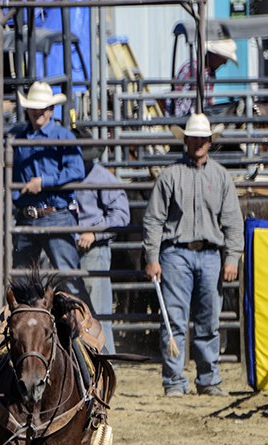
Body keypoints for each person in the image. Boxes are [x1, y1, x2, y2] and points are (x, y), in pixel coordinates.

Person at [143, 113, 243, 398]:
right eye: (193, 138)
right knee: (174, 320)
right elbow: (154, 220)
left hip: (211, 254)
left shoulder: (221, 176)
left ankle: (208, 379)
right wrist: (153, 256)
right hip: (176, 254)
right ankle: (175, 381)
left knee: (209, 320)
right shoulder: (170, 176)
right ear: (185, 140)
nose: (198, 142)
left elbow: (233, 222)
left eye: (203, 138)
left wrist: (231, 258)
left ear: (210, 141)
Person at [12, 81, 89, 304]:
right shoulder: (20, 139)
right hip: (28, 217)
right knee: (22, 281)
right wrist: (19, 200)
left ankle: (85, 334)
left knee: (70, 279)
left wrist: (43, 182)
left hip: (56, 215)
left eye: (43, 107)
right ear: (28, 109)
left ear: (51, 110)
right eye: (34, 107)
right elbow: (14, 175)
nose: (38, 112)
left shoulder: (63, 136)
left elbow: (76, 170)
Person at [73, 130, 130, 355]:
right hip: (68, 251)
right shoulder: (68, 175)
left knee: (98, 312)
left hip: (93, 252)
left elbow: (122, 215)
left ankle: (106, 362)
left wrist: (95, 233)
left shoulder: (101, 176)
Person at [167, 39, 237, 117]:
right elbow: (181, 104)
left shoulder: (208, 72)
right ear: (216, 56)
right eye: (224, 59)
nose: (224, 63)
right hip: (187, 118)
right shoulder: (195, 70)